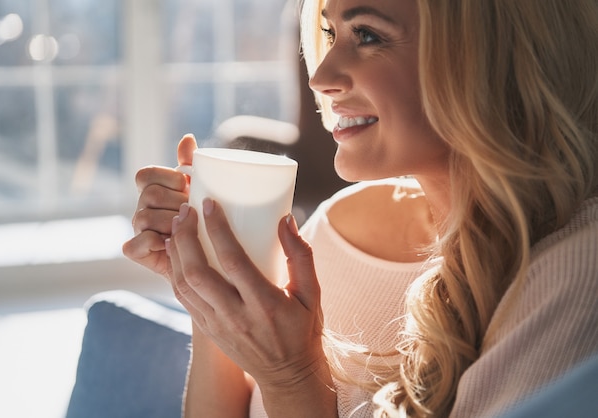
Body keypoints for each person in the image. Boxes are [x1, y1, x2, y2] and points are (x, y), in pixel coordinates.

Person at [123, 0, 598, 417]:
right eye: (330, 33)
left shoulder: (576, 272)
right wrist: (211, 289)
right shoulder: (339, 225)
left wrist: (292, 379)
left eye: (367, 35)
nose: (320, 76)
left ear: (491, 56)